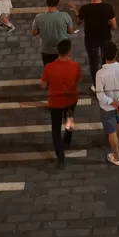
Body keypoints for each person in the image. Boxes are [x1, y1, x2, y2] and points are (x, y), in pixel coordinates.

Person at [42, 39, 82, 168]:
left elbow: (43, 86)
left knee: (55, 130)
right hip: (71, 100)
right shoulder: (76, 66)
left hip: (55, 102)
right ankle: (67, 139)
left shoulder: (49, 67)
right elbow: (78, 80)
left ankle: (60, 155)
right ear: (69, 51)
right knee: (69, 119)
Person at [94, 41, 119, 166]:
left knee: (110, 130)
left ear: (102, 54)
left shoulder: (100, 73)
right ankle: (118, 143)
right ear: (116, 53)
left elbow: (100, 95)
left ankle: (116, 156)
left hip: (107, 108)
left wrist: (113, 103)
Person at [77, 0, 116, 75]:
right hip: (105, 38)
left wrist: (76, 12)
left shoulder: (84, 9)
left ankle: (95, 84)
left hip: (91, 40)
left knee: (93, 62)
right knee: (106, 61)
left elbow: (78, 22)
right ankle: (105, 78)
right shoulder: (108, 8)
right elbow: (114, 26)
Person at [32, 0, 75, 66]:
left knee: (49, 70)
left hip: (46, 50)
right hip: (62, 50)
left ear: (47, 2)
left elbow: (34, 33)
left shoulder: (38, 17)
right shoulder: (65, 16)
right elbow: (71, 31)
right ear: (58, 3)